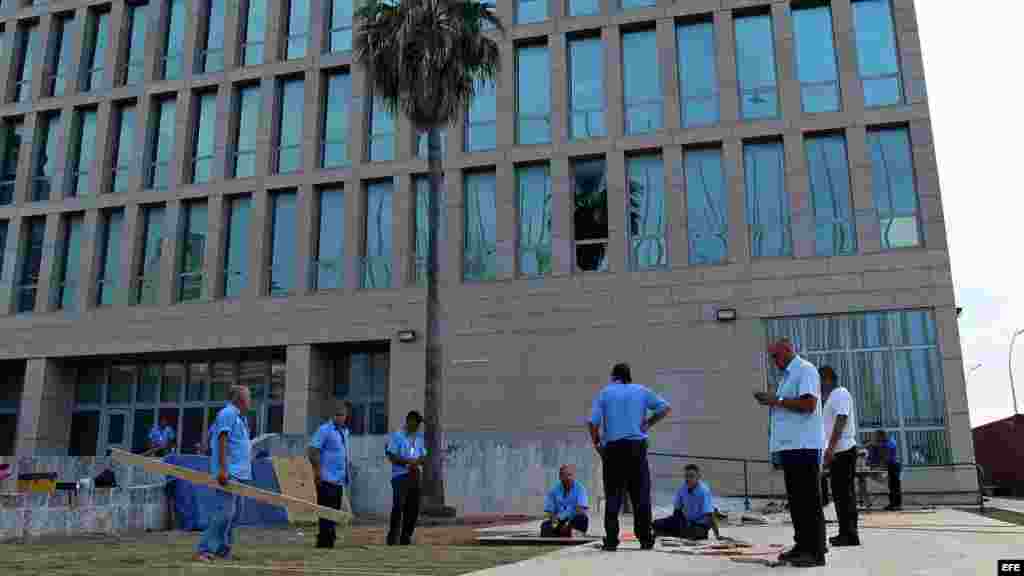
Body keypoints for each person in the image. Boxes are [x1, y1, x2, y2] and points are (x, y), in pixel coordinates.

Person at [755, 339, 827, 568]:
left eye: (775, 356)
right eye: (771, 357)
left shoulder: (805, 370)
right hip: (791, 447)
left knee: (809, 501)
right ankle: (802, 545)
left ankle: (815, 551)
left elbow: (809, 405)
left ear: (787, 351)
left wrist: (777, 400)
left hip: (804, 446)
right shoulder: (787, 377)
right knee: (797, 502)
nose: (773, 361)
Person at [588, 362, 671, 552]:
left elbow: (592, 423)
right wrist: (648, 423)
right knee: (641, 494)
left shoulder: (605, 393)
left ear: (613, 377)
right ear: (629, 376)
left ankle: (611, 540)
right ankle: (645, 539)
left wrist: (598, 445)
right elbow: (665, 408)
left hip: (614, 450)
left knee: (613, 496)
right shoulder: (641, 391)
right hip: (636, 449)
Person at [194, 385, 252, 562]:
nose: (250, 401)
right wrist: (222, 469)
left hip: (241, 472)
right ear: (239, 399)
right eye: (248, 397)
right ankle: (204, 550)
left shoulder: (239, 417)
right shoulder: (228, 413)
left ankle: (222, 550)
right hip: (230, 471)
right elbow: (222, 439)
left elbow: (213, 433)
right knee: (224, 513)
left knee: (233, 516)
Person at [821, 365, 860, 547]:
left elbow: (841, 419)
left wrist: (830, 448)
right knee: (839, 494)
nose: (818, 385)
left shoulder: (840, 393)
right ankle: (845, 532)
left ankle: (850, 534)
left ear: (827, 379)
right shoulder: (832, 397)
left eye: (819, 381)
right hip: (838, 451)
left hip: (843, 450)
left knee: (844, 494)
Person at [308, 401, 352, 549]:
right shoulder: (324, 430)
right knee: (326, 512)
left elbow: (342, 454)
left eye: (343, 414)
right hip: (326, 478)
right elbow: (313, 450)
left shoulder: (344, 432)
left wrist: (346, 474)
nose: (341, 417)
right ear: (333, 415)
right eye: (338, 414)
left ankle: (330, 540)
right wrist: (318, 472)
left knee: (334, 512)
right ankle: (324, 542)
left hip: (338, 480)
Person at [385, 410, 427, 545]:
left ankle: (406, 537)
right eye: (416, 423)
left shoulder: (419, 437)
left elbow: (423, 455)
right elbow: (391, 455)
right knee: (398, 506)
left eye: (420, 423)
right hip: (400, 476)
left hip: (415, 475)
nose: (418, 426)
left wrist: (418, 462)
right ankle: (393, 538)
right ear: (409, 421)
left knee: (413, 508)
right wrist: (408, 462)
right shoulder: (397, 436)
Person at [653, 464, 714, 540]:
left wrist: (717, 535)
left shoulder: (704, 491)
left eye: (691, 476)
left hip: (700, 525)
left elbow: (709, 516)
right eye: (686, 476)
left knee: (693, 532)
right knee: (656, 523)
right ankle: (671, 532)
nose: (688, 479)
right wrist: (677, 522)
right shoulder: (682, 489)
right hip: (686, 522)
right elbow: (677, 511)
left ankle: (670, 533)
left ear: (698, 477)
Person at [540, 464, 589, 537]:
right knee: (545, 525)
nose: (568, 478)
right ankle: (566, 534)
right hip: (558, 521)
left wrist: (567, 523)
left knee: (582, 518)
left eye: (570, 475)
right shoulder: (553, 490)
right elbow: (549, 512)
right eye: (565, 475)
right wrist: (554, 521)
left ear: (574, 476)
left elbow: (581, 510)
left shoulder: (580, 489)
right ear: (560, 477)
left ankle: (566, 533)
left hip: (572, 521)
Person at [867, 430, 902, 511]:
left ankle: (897, 505)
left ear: (881, 436)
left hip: (894, 465)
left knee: (895, 486)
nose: (875, 438)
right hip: (891, 465)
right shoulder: (887, 442)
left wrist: (879, 466)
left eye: (876, 436)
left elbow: (886, 457)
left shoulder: (889, 443)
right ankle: (892, 504)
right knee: (891, 486)